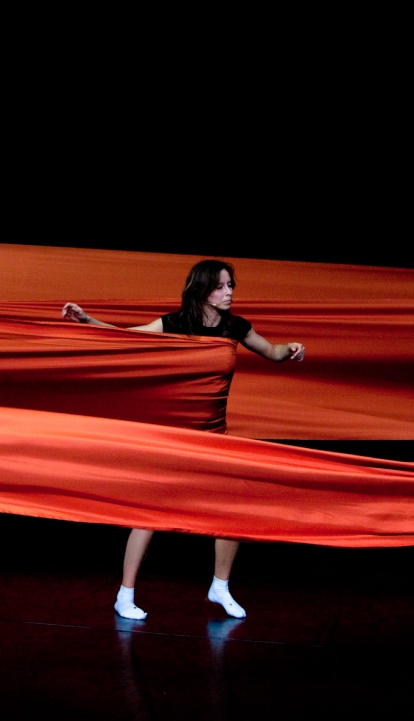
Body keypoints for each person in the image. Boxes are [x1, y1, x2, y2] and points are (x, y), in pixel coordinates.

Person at [62, 260, 305, 621]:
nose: (229, 292)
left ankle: (219, 587)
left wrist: (291, 348)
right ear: (203, 290)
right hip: (174, 436)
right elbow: (129, 338)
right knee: (149, 514)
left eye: (231, 286)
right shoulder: (174, 324)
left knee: (232, 513)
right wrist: (86, 321)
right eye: (222, 286)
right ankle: (124, 595)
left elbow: (272, 351)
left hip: (213, 437)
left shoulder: (235, 327)